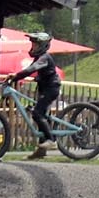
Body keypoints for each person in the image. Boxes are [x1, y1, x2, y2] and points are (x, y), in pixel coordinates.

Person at [8, 31, 61, 160]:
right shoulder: (39, 58)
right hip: (44, 89)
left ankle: (51, 140)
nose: (33, 47)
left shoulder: (45, 57)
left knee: (37, 113)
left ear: (42, 46)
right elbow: (32, 70)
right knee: (42, 116)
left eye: (35, 45)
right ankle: (41, 151)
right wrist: (15, 78)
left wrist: (16, 75)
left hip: (51, 89)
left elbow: (32, 69)